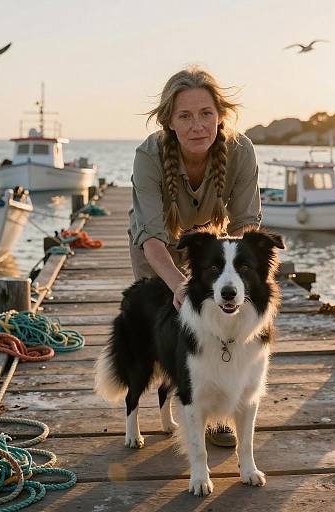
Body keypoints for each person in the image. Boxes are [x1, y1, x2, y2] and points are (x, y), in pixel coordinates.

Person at [128, 65, 262, 447]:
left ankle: (218, 411)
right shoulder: (149, 155)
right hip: (154, 244)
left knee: (223, 320)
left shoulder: (240, 151)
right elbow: (152, 239)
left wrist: (240, 276)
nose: (197, 125)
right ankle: (172, 398)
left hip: (212, 245)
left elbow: (247, 226)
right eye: (185, 116)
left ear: (220, 115)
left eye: (206, 113)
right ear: (169, 121)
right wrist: (178, 284)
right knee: (164, 324)